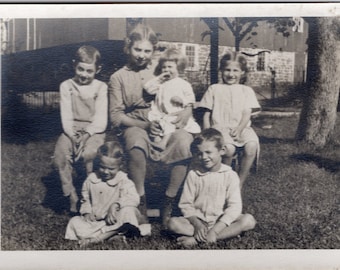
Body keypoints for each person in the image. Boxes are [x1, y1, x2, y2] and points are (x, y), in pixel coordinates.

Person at [108, 24, 194, 226]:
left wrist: (187, 110)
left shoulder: (160, 68)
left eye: (147, 51)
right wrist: (145, 125)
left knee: (184, 141)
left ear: (153, 51)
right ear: (128, 48)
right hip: (136, 123)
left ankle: (169, 201)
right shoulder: (117, 77)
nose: (141, 55)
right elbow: (116, 116)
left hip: (168, 120)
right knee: (136, 142)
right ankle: (140, 202)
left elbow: (182, 89)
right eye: (137, 49)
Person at [167, 128, 256, 248]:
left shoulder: (230, 175)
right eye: (199, 153)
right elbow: (185, 204)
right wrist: (197, 224)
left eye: (208, 152)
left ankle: (198, 239)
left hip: (221, 222)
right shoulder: (194, 174)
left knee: (248, 220)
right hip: (198, 221)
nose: (204, 157)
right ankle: (219, 236)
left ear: (222, 150)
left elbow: (234, 207)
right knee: (173, 223)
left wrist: (216, 229)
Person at [53, 45, 107, 214]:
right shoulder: (66, 86)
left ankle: (91, 195)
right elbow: (66, 116)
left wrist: (86, 135)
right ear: (74, 65)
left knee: (89, 153)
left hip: (94, 130)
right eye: (80, 69)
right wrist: (72, 135)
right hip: (71, 129)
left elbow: (101, 120)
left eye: (89, 71)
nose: (84, 74)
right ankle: (71, 195)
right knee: (60, 155)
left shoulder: (101, 87)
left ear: (97, 70)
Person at [65, 141, 150, 246]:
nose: (105, 172)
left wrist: (116, 205)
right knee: (74, 221)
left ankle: (96, 239)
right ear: (98, 163)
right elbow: (85, 199)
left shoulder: (123, 180)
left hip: (117, 220)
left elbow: (133, 198)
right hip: (99, 222)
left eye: (111, 169)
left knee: (128, 212)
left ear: (120, 166)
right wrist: (87, 213)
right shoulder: (91, 179)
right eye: (102, 167)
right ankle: (112, 237)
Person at [199, 51, 261, 189]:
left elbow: (247, 113)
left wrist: (239, 129)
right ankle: (222, 179)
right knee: (229, 149)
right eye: (227, 70)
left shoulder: (246, 90)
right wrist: (207, 133)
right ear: (221, 70)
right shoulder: (214, 88)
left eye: (235, 70)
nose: (231, 74)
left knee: (251, 146)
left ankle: (239, 183)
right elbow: (206, 114)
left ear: (242, 72)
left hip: (242, 127)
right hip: (219, 128)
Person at [144, 48, 201, 150]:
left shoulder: (183, 84)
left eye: (170, 67)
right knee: (156, 127)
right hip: (161, 113)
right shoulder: (161, 83)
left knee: (170, 123)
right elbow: (148, 89)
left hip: (175, 113)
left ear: (178, 68)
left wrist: (182, 101)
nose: (166, 70)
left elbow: (191, 100)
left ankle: (163, 143)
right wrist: (159, 78)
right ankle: (157, 145)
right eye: (164, 67)